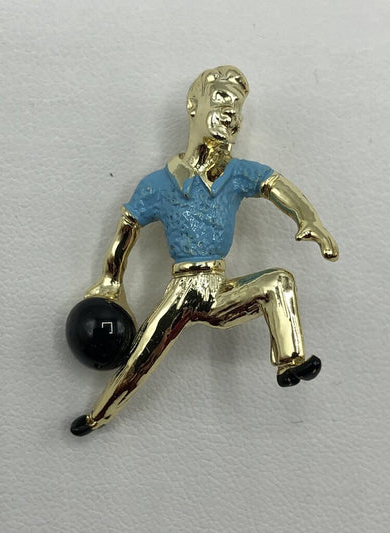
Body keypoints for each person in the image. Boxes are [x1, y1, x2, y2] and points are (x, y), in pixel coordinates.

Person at [71, 65, 339, 436]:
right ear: (193, 105)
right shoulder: (159, 184)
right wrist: (111, 280)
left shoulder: (236, 173)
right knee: (142, 357)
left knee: (279, 282)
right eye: (222, 99)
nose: (231, 112)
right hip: (183, 290)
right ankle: (97, 416)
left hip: (219, 290)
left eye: (238, 107)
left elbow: (276, 186)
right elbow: (127, 228)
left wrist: (309, 220)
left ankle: (290, 363)